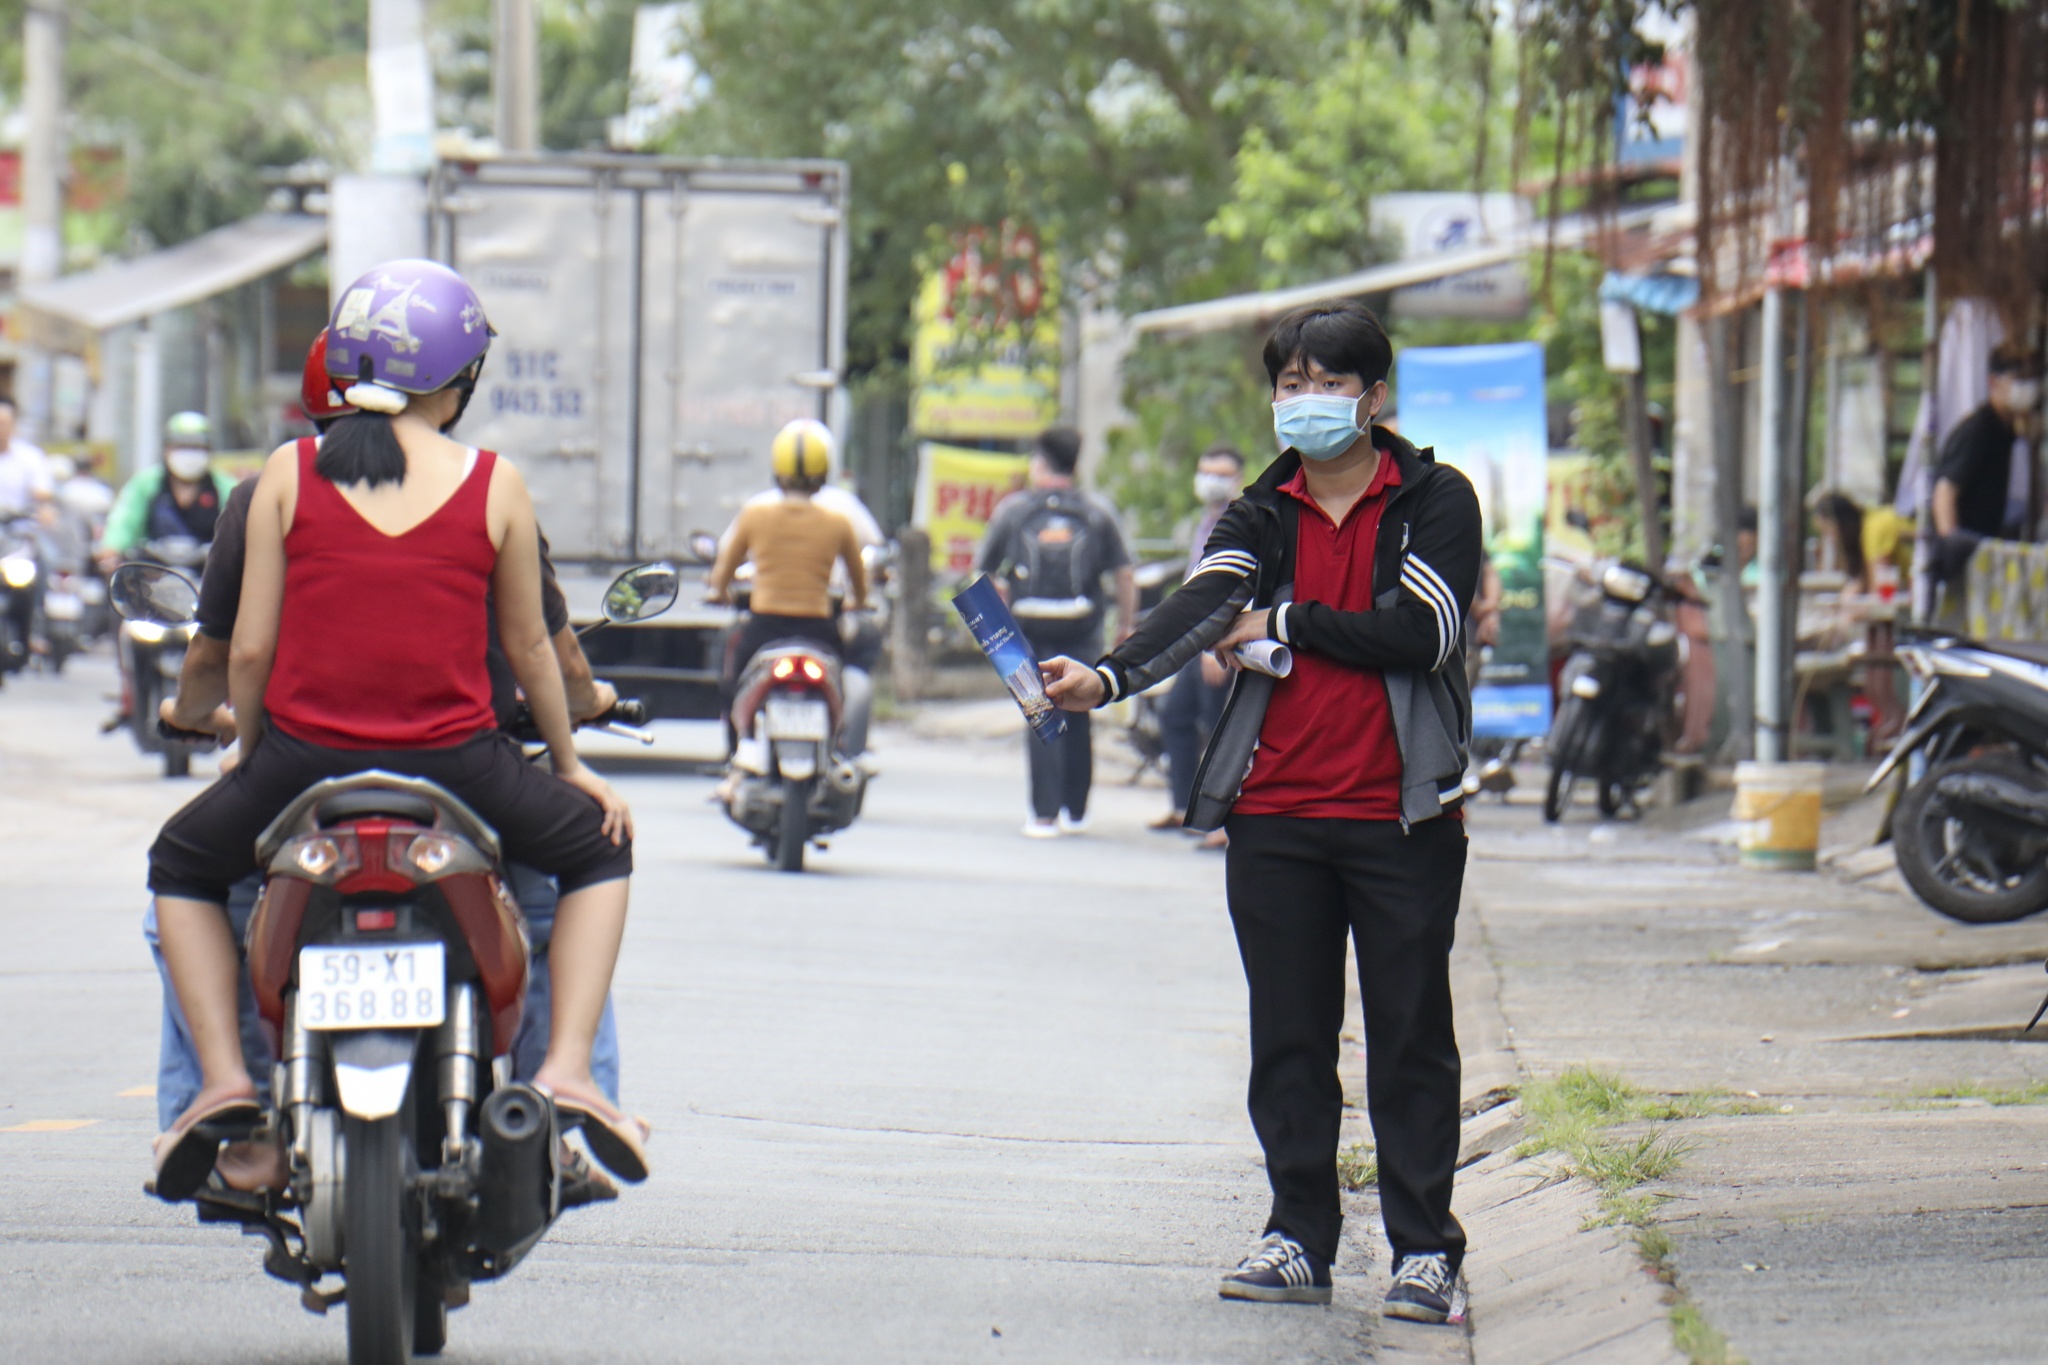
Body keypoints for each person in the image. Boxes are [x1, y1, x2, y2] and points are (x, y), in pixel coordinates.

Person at [145, 261, 644, 1202]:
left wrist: (252, 747)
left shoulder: (285, 475)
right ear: (460, 380)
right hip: (460, 768)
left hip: (305, 768)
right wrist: (572, 766)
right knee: (595, 857)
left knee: (178, 865)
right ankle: (569, 1072)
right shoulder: (493, 483)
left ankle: (223, 1085)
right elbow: (534, 650)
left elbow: (245, 652)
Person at [1040, 302, 1482, 1323]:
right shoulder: (1259, 512)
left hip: (1400, 817)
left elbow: (1418, 631)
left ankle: (1424, 1251)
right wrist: (1101, 679)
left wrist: (1281, 619)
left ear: (1373, 398)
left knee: (1410, 1034)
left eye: (1326, 384)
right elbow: (1199, 605)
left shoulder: (1430, 501)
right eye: (1289, 383)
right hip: (1274, 813)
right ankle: (1296, 1236)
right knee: (1288, 1035)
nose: (1305, 401)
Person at [977, 426, 1136, 838]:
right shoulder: (1098, 510)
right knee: (1081, 711)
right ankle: (1076, 811)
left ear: (1040, 463)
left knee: (1039, 711)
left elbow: (982, 571)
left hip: (1027, 627)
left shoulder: (1014, 510)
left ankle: (1043, 815)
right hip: (1083, 627)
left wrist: (993, 621)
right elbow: (1123, 572)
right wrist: (1125, 624)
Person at [706, 418, 869, 711]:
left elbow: (722, 575)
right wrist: (857, 601)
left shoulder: (754, 516)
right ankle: (837, 740)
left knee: (734, 682)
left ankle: (734, 746)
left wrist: (719, 593)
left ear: (777, 472)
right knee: (838, 682)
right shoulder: (838, 523)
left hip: (765, 625)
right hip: (819, 629)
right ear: (822, 475)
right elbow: (860, 586)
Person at [1152, 445, 1245, 838]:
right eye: (1205, 472)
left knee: (1221, 730)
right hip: (1195, 642)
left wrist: (1214, 646)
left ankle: (1225, 821)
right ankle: (1184, 806)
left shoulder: (1242, 522)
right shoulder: (1206, 521)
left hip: (1221, 646)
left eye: (1221, 474)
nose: (1211, 481)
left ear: (1238, 479)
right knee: (1175, 716)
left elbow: (1235, 592)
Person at [97, 411, 237, 568]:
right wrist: (112, 549)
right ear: (166, 449)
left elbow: (239, 529)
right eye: (181, 446)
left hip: (208, 580)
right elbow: (124, 520)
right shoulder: (146, 484)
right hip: (153, 579)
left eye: (197, 447)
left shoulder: (225, 487)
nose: (189, 454)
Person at [0, 397, 53, 520]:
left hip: (17, 529)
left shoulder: (30, 456)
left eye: (3, 424)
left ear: (13, 426)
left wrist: (44, 507)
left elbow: (42, 492)